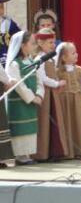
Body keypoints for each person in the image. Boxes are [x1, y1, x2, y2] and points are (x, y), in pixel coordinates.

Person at [6, 31, 44, 165]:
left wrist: (39, 94)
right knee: (20, 128)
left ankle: (26, 154)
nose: (35, 46)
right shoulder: (13, 64)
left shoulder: (31, 61)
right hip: (19, 103)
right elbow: (18, 85)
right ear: (23, 45)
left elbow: (39, 80)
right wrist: (32, 98)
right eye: (32, 43)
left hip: (32, 100)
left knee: (30, 127)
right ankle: (20, 156)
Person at [33, 28, 68, 161]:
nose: (53, 45)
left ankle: (54, 151)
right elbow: (42, 78)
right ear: (40, 43)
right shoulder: (39, 59)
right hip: (46, 94)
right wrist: (57, 83)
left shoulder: (51, 59)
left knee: (54, 122)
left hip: (53, 94)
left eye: (54, 42)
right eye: (50, 42)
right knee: (45, 123)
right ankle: (43, 153)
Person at [56, 42, 81, 159]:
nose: (76, 54)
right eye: (73, 53)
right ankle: (67, 151)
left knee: (78, 125)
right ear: (63, 57)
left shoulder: (79, 70)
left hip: (77, 101)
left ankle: (79, 150)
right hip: (64, 102)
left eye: (75, 52)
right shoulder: (58, 71)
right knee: (66, 125)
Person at [0, 0, 20, 66]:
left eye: (2, 7)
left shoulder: (9, 23)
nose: (0, 10)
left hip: (7, 57)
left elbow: (18, 39)